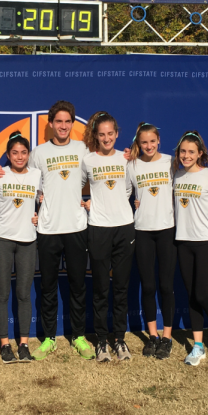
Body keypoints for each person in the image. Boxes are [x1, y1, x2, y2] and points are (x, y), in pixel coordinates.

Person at [0, 100, 92, 360]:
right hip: (47, 229)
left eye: (67, 121)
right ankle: (49, 338)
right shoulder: (37, 153)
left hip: (77, 226)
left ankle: (79, 336)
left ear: (73, 123)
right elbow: (24, 183)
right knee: (47, 287)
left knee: (77, 285)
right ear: (50, 124)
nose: (63, 126)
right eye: (58, 121)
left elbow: (102, 173)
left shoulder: (83, 149)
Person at [172, 130, 208, 366]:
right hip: (182, 242)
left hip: (205, 242)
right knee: (190, 296)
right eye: (183, 151)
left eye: (191, 152)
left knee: (203, 294)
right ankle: (197, 346)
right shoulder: (175, 175)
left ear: (200, 154)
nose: (186, 155)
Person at [82, 112, 135, 362]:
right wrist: (88, 203)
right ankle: (102, 340)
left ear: (116, 133)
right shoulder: (87, 160)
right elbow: (77, 187)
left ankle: (120, 339)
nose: (106, 138)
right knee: (101, 288)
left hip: (124, 227)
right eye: (101, 134)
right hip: (99, 228)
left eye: (110, 133)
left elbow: (127, 189)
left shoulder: (127, 159)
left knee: (121, 288)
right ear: (96, 136)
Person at [126, 123, 176, 360]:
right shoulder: (132, 165)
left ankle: (167, 337)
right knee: (148, 286)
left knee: (166, 286)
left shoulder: (171, 162)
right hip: (143, 231)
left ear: (159, 140)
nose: (148, 146)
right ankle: (152, 336)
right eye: (143, 142)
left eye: (152, 141)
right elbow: (123, 193)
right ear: (138, 143)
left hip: (167, 230)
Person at [0, 131, 41, 364]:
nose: (19, 157)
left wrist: (39, 217)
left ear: (28, 154)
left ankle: (23, 344)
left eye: (23, 152)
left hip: (28, 241)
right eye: (14, 153)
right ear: (8, 155)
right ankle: (4, 345)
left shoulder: (37, 175)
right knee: (2, 294)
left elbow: (45, 201)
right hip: (2, 239)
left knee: (23, 294)